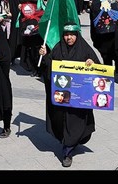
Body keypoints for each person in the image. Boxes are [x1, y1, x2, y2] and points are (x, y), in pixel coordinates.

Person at [39, 22, 100, 168]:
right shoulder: (57, 49)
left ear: (77, 35)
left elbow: (98, 70)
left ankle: (67, 152)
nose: (69, 38)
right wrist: (45, 56)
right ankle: (68, 144)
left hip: (78, 101)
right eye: (66, 35)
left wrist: (92, 64)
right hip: (62, 98)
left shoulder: (85, 49)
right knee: (62, 122)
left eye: (72, 34)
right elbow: (48, 72)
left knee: (75, 124)